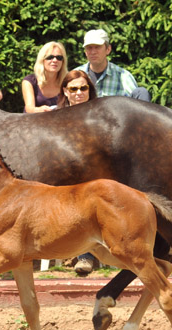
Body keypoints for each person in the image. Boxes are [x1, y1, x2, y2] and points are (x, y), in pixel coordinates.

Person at [55, 70, 99, 275]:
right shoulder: (56, 117)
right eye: (74, 89)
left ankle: (87, 255)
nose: (79, 93)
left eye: (84, 88)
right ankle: (78, 253)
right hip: (65, 175)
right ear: (65, 91)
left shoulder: (100, 114)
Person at [75, 29, 150, 102]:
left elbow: (137, 107)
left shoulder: (123, 77)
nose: (93, 52)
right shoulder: (75, 76)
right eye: (89, 48)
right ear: (85, 52)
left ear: (108, 49)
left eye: (97, 47)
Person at [22, 41, 68, 112]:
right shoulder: (29, 82)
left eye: (59, 57)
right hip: (33, 121)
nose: (55, 60)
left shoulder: (67, 82)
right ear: (42, 60)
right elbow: (29, 109)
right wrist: (40, 110)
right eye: (50, 57)